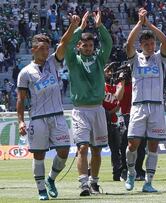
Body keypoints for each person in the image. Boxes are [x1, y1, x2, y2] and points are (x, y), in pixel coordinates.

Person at [16, 15, 80, 200]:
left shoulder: (53, 62)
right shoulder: (25, 73)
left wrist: (73, 26)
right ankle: (41, 190)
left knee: (64, 150)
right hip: (37, 119)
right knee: (39, 156)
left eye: (47, 48)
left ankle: (51, 179)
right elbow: (20, 99)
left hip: (57, 116)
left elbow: (63, 43)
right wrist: (21, 121)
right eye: (42, 49)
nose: (46, 52)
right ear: (33, 50)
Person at [64, 10, 112, 196]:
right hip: (80, 110)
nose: (88, 48)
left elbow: (108, 43)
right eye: (84, 45)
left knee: (97, 150)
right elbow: (66, 46)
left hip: (98, 110)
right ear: (79, 46)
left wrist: (100, 26)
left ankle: (94, 183)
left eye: (91, 45)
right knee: (82, 147)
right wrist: (79, 28)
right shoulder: (73, 61)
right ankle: (83, 184)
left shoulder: (99, 59)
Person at [124, 8, 166, 193]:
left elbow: (165, 42)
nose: (151, 46)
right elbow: (128, 44)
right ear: (141, 44)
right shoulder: (135, 59)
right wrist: (139, 23)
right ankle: (131, 173)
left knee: (153, 146)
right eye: (147, 44)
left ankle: (149, 182)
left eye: (152, 43)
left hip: (157, 107)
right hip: (139, 107)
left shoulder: (160, 59)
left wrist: (149, 24)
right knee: (132, 144)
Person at [102, 63, 124, 181]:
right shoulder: (101, 84)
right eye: (108, 71)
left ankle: (117, 174)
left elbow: (118, 103)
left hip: (113, 121)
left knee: (116, 150)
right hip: (101, 121)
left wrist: (110, 113)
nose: (110, 73)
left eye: (112, 71)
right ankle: (90, 174)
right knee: (96, 148)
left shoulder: (117, 86)